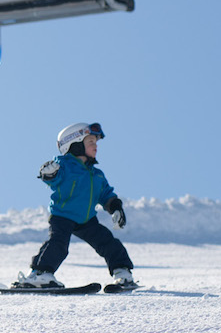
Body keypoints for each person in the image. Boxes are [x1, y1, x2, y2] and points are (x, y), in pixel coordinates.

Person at [12, 122, 136, 289]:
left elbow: (106, 194)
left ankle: (122, 272)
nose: (95, 146)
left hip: (87, 219)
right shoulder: (63, 166)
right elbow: (53, 176)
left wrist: (115, 207)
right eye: (90, 141)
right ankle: (40, 274)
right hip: (63, 215)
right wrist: (49, 173)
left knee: (108, 242)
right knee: (58, 244)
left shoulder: (96, 174)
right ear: (74, 144)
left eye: (96, 142)